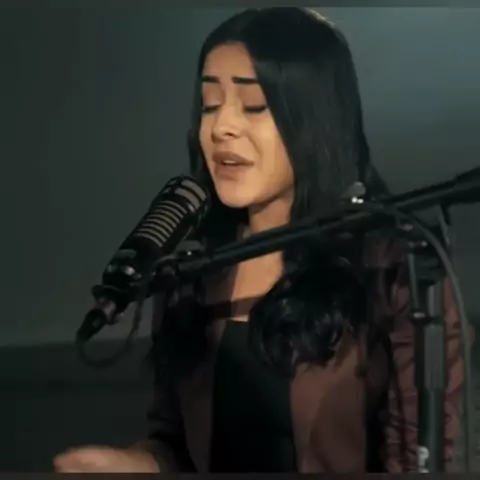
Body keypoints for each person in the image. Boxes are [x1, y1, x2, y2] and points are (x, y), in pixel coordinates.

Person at [54, 7, 465, 473]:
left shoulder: (393, 264)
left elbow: (416, 457)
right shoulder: (192, 267)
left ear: (315, 119)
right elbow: (176, 445)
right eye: (210, 104)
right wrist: (134, 464)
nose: (221, 127)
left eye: (252, 105)